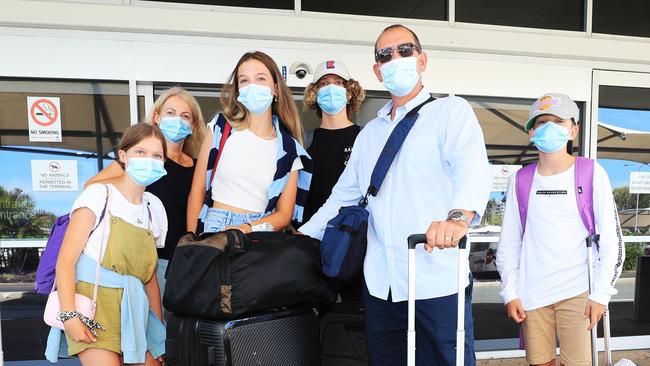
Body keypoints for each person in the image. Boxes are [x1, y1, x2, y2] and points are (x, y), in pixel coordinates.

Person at [299, 24, 491, 365]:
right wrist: (300, 238)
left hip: (436, 280)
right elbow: (342, 198)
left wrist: (458, 218)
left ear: (422, 60)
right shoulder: (369, 134)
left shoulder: (449, 112)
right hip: (381, 284)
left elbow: (472, 171)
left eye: (404, 50)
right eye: (385, 55)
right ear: (377, 70)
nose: (395, 58)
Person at [496, 93, 624, 366]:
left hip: (579, 292)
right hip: (532, 294)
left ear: (574, 129)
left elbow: (613, 242)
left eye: (558, 120)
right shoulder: (521, 179)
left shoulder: (591, 173)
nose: (549, 127)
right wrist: (511, 291)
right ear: (531, 131)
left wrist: (600, 294)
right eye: (541, 122)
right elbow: (509, 244)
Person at [46, 123, 168, 365]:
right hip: (94, 306)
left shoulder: (155, 208)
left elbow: (149, 277)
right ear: (123, 156)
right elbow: (66, 261)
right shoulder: (98, 195)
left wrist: (158, 330)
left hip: (136, 310)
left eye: (157, 155)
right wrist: (69, 315)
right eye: (140, 152)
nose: (149, 160)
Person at [85, 86, 206, 301]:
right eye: (170, 113)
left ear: (193, 125)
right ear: (157, 117)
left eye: (185, 116)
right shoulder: (139, 159)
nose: (177, 120)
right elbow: (91, 186)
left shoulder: (197, 167)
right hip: (146, 261)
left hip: (186, 261)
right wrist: (140, 172)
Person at [187, 51, 311, 234]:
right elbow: (197, 190)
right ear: (238, 91)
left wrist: (246, 228)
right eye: (244, 80)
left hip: (259, 231)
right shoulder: (221, 128)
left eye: (261, 78)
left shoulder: (290, 150)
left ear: (276, 88)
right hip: (215, 226)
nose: (252, 86)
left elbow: (284, 215)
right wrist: (193, 242)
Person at [302, 60, 365, 223]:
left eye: (338, 83)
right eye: (324, 83)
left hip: (350, 234)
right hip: (309, 233)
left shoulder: (365, 136)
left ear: (349, 91)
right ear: (314, 93)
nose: (331, 88)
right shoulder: (304, 140)